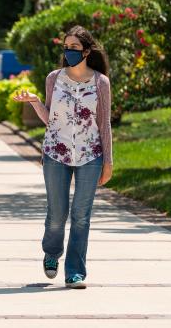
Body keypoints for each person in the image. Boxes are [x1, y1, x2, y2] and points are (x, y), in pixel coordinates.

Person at [13, 25, 113, 289]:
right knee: (57, 213)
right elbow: (51, 119)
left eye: (74, 48)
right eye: (66, 47)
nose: (68, 51)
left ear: (87, 51)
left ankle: (75, 272)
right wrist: (35, 101)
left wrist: (108, 162)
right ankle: (51, 252)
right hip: (56, 152)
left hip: (91, 155)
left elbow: (105, 124)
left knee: (81, 215)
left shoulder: (100, 83)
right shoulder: (54, 78)